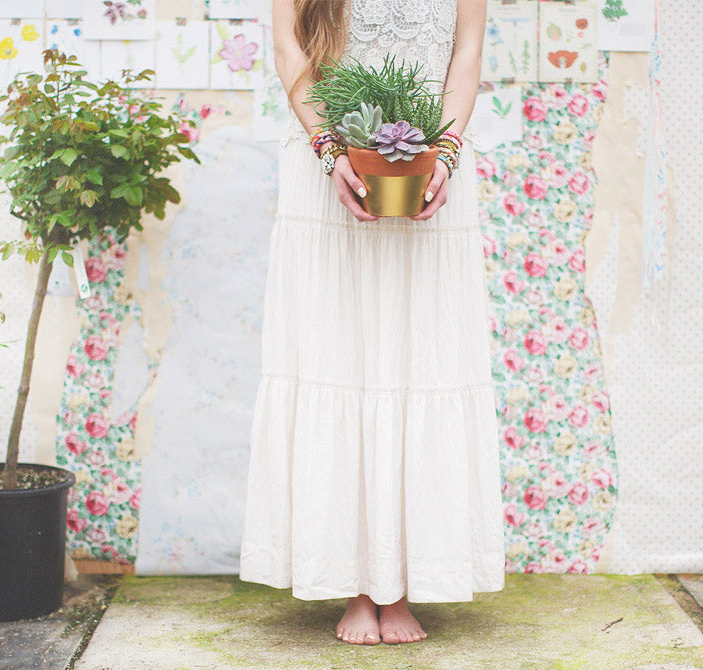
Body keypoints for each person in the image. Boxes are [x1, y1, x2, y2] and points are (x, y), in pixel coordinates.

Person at [239, 0, 503, 646]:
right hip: (329, 174)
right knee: (341, 362)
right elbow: (290, 54)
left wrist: (446, 153)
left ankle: (403, 587)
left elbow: (465, 54)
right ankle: (360, 587)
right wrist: (332, 154)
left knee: (421, 364)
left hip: (431, 174)